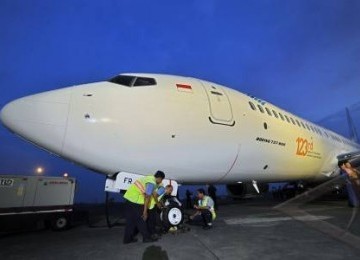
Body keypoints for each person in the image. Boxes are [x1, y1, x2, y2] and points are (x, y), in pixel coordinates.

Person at [122, 170, 165, 244]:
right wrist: (145, 212)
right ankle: (146, 238)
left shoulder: (148, 177)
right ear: (160, 178)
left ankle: (127, 239)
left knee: (130, 221)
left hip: (129, 199)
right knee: (141, 220)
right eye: (161, 180)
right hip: (136, 201)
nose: (161, 181)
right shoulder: (152, 182)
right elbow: (147, 197)